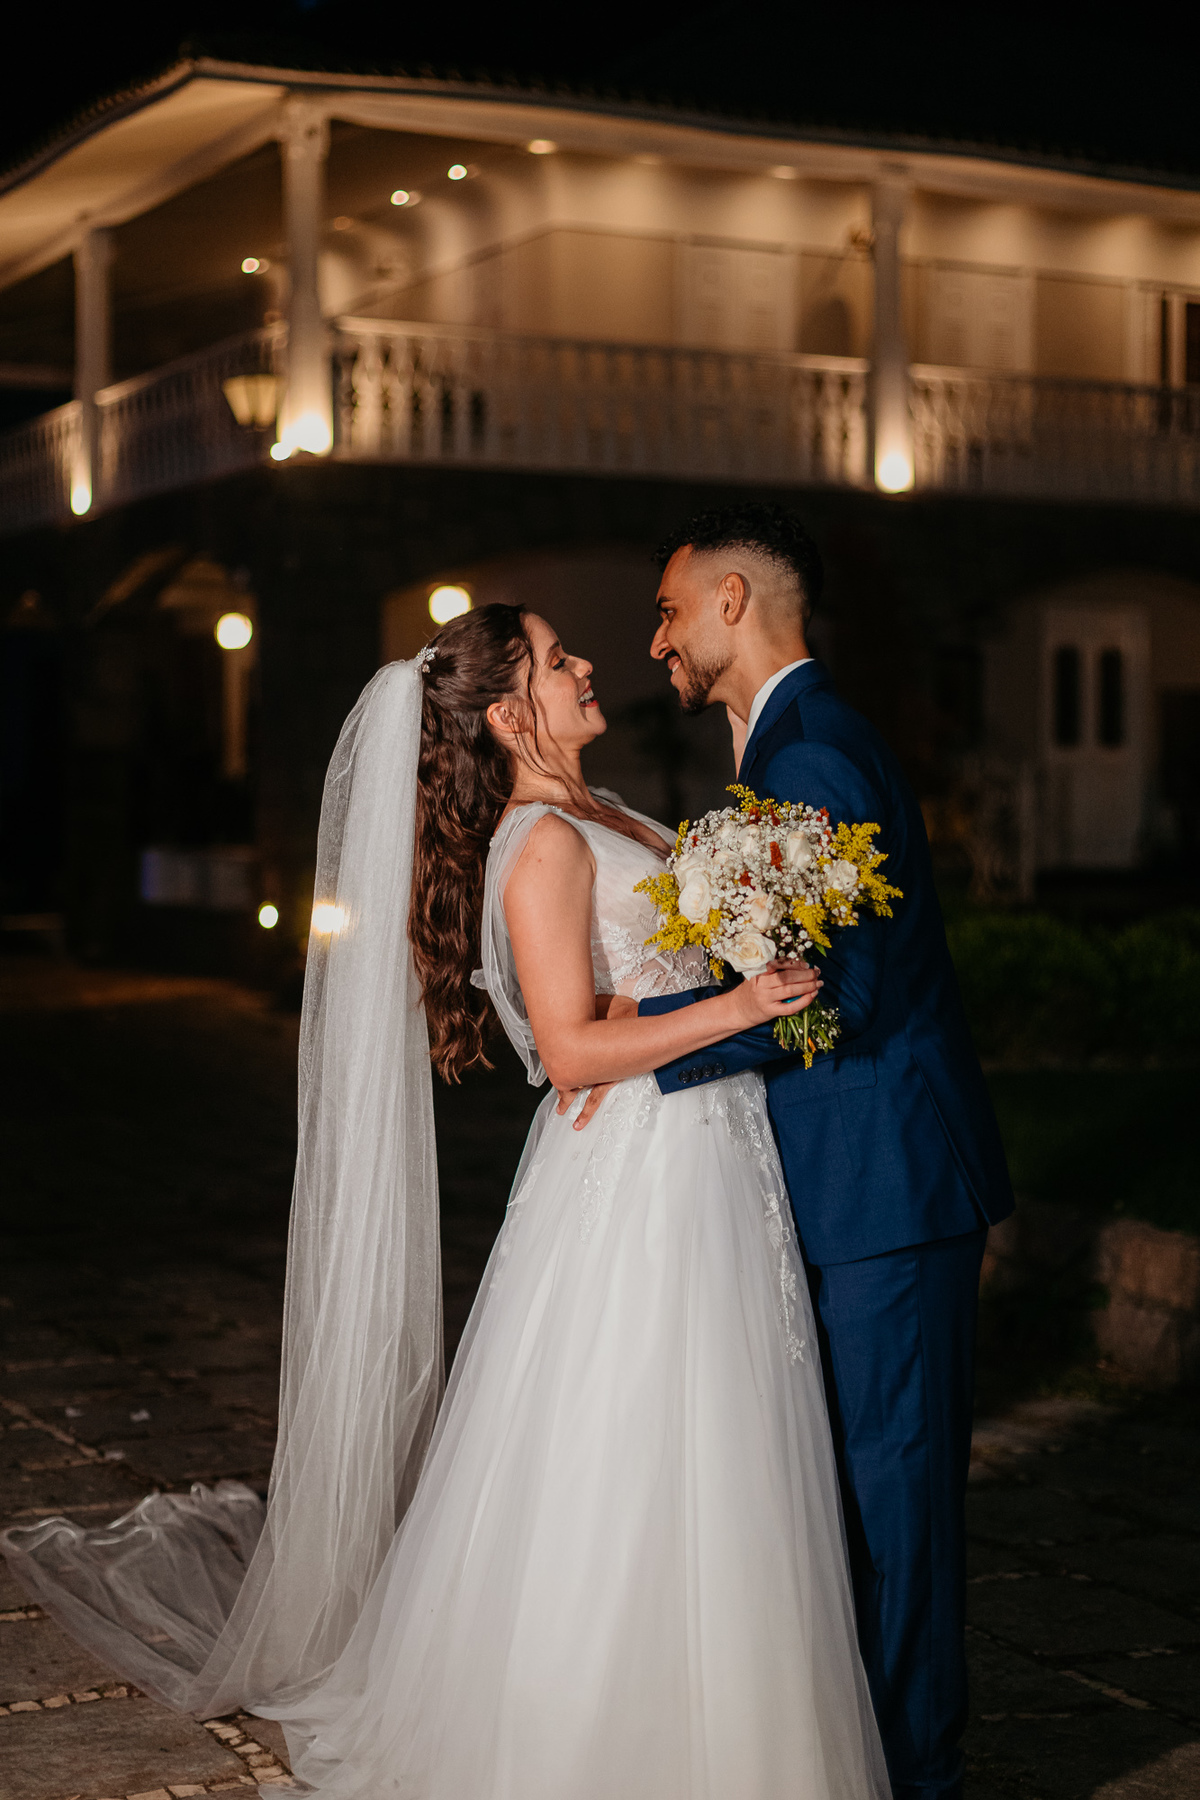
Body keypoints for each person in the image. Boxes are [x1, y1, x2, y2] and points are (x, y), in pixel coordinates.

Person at [2, 604, 889, 1800]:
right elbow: (567, 1050)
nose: (587, 665)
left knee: (726, 1429)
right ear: (511, 714)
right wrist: (739, 1005)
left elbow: (622, 994)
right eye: (559, 660)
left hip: (708, 1148)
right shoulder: (542, 841)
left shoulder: (602, 810)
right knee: (641, 1429)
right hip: (640, 1171)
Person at [584, 502, 1015, 1800]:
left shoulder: (814, 754)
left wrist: (648, 1051)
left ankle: (917, 1776)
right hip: (836, 1185)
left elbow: (839, 999)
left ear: (733, 600)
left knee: (895, 1506)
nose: (655, 642)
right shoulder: (782, 751)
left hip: (884, 1185)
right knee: (844, 1504)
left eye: (668, 611)